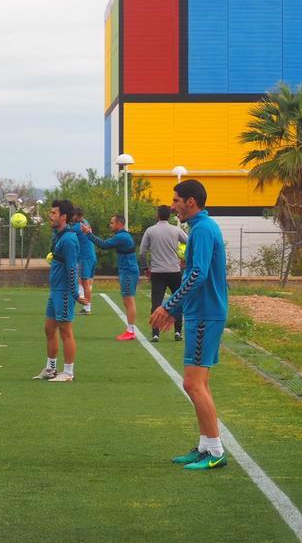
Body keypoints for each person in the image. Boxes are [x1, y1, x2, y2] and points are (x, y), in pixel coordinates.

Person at [150, 179, 230, 471]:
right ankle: (206, 446)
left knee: (192, 383)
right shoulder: (199, 229)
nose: (172, 207)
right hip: (199, 313)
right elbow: (192, 276)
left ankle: (216, 451)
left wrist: (168, 306)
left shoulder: (204, 230)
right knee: (199, 383)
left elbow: (198, 275)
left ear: (191, 202)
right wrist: (177, 310)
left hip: (206, 314)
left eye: (176, 201)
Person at [35, 200, 79, 383]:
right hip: (55, 290)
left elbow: (71, 268)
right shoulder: (59, 235)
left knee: (65, 331)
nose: (50, 215)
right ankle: (51, 368)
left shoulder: (68, 239)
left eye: (53, 213)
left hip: (64, 291)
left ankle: (68, 372)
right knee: (49, 329)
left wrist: (75, 293)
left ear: (63, 217)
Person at [83, 215, 141, 341]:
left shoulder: (122, 237)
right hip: (127, 270)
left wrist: (88, 234)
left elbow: (104, 245)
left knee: (129, 300)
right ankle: (130, 329)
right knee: (127, 300)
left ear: (119, 223)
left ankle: (131, 331)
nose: (110, 225)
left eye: (112, 223)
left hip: (128, 271)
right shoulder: (123, 236)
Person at [139, 205, 188, 343]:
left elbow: (142, 252)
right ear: (169, 216)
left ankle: (155, 333)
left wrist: (145, 268)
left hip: (158, 272)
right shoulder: (176, 230)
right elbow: (191, 242)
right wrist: (185, 258)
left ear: (157, 215)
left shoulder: (150, 230)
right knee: (177, 300)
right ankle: (178, 332)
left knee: (156, 302)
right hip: (174, 270)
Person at [73, 208, 96, 314]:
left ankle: (87, 308)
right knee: (86, 281)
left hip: (85, 256)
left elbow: (64, 232)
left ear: (77, 216)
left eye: (72, 215)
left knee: (85, 283)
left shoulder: (78, 226)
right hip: (90, 255)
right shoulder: (85, 222)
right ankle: (86, 305)